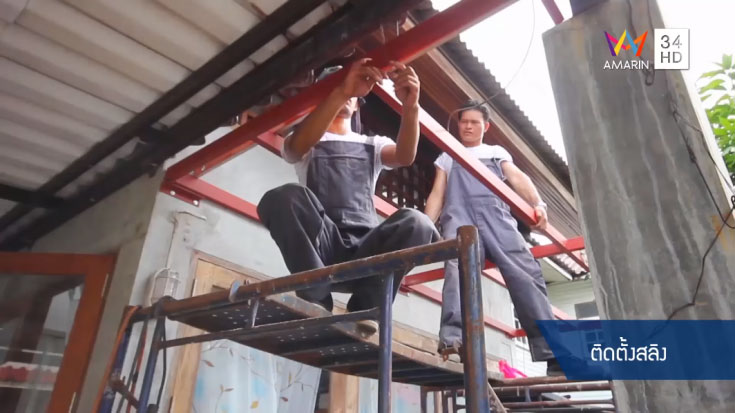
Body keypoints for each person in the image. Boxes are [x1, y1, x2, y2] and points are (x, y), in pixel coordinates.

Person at [257, 58, 439, 335]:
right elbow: (294, 150)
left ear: (357, 105)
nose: (346, 96)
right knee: (283, 197)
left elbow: (405, 156)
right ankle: (316, 298)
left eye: (351, 94)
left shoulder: (372, 144)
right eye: (336, 91)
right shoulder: (305, 140)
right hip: (322, 249)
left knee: (419, 222)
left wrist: (411, 106)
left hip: (368, 252)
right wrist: (342, 90)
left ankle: (366, 308)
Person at [424, 101, 563, 376]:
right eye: (464, 121)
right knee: (457, 272)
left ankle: (553, 352)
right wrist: (426, 226)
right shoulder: (448, 155)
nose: (468, 126)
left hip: (497, 219)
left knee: (526, 272)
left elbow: (517, 177)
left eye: (474, 122)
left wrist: (538, 204)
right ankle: (453, 340)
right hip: (459, 219)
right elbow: (438, 193)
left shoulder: (495, 152)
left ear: (485, 127)